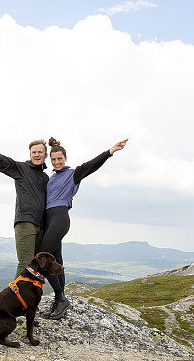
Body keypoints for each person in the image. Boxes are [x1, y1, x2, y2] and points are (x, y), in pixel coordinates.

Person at [40, 136, 128, 319]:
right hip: (49, 220)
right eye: (54, 160)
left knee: (42, 259)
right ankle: (59, 300)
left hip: (60, 217)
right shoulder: (51, 178)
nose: (56, 162)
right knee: (57, 260)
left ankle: (61, 298)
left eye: (60, 159)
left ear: (65, 158)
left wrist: (110, 151)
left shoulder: (73, 173)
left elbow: (92, 164)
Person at [0, 126, 50, 278]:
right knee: (26, 263)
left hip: (41, 226)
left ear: (45, 155)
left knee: (36, 265)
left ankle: (28, 297)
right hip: (25, 222)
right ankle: (15, 299)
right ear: (30, 154)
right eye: (33, 152)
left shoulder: (46, 178)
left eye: (40, 152)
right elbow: (0, 161)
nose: (36, 154)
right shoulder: (21, 168)